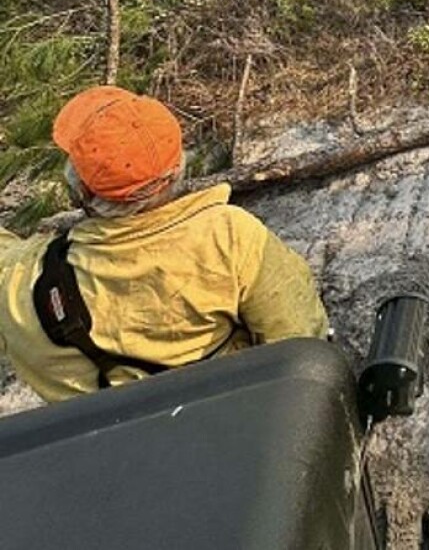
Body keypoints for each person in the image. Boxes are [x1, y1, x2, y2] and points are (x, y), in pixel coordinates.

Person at [0, 86, 328, 403]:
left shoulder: (25, 283)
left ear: (82, 192)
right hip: (236, 427)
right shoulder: (228, 238)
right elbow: (301, 341)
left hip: (114, 451)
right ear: (176, 170)